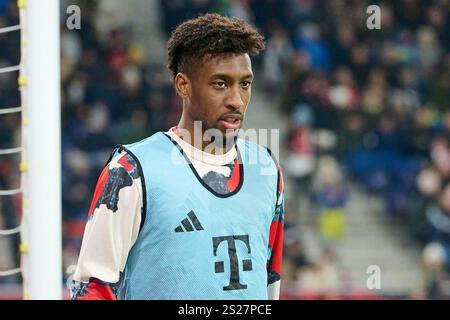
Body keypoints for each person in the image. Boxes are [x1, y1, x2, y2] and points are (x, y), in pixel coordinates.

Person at [71, 13, 285, 300]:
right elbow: (93, 288)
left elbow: (270, 278)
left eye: (244, 84)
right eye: (221, 84)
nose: (236, 100)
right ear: (183, 85)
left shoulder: (267, 170)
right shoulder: (131, 171)